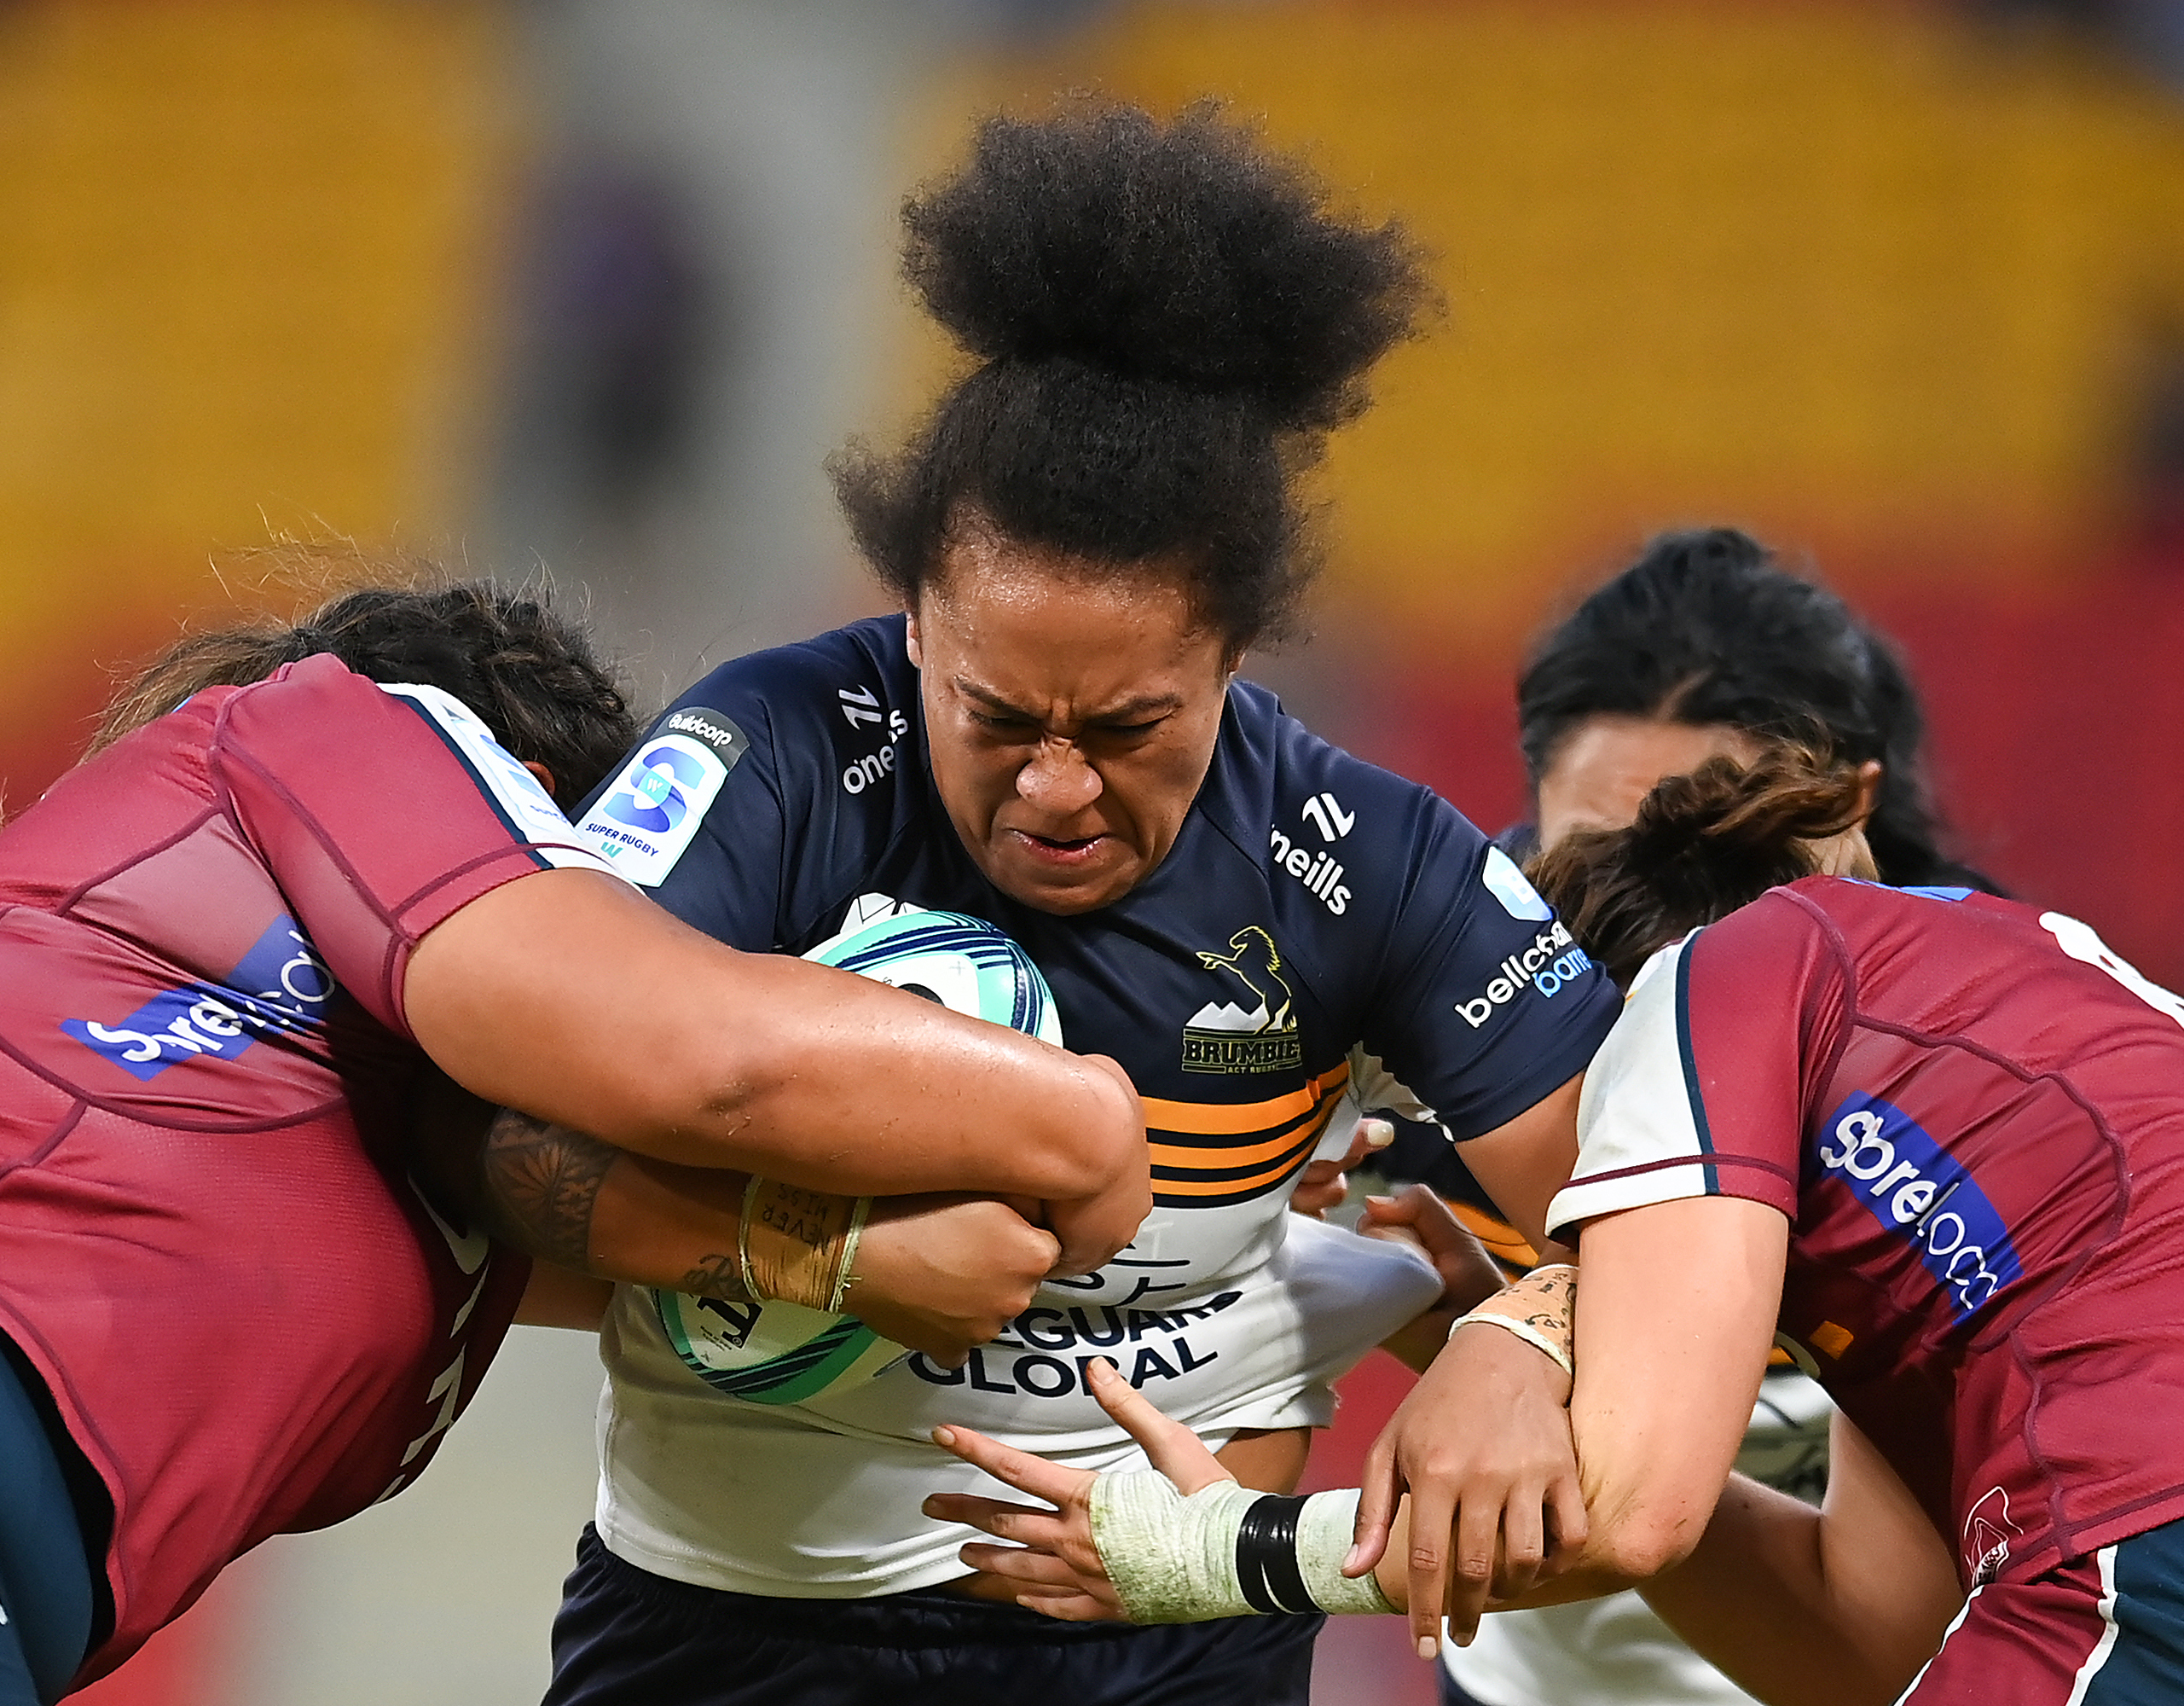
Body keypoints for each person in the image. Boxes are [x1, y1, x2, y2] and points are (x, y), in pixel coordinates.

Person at [541, 103, 1619, 1706]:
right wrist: (811, 1254)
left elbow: (1664, 1213)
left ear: (1235, 658)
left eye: (1127, 729)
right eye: (996, 719)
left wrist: (1531, 1337)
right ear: (911, 624)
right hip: (726, 1624)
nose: (1056, 787)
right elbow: (498, 1144)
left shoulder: (1364, 854)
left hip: (1168, 1639)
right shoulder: (764, 758)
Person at [0, 568, 1156, 1704]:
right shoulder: (351, 725)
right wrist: (1083, 1113)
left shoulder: (407, 1156)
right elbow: (705, 1061)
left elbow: (690, 1239)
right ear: (529, 793)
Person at [933, 743, 2184, 1705]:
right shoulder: (2000, 1061)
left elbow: (1633, 1511)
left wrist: (1218, 1554)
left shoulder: (1706, 983)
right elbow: (1869, 1647)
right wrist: (1485, 1322)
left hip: (2177, 1528)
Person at [1427, 526, 1991, 1706]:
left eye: (1708, 860)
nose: (1650, 928)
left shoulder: (2000, 1052)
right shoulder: (1431, 1009)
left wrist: (1517, 1331)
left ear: (1846, 812)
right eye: (1594, 851)